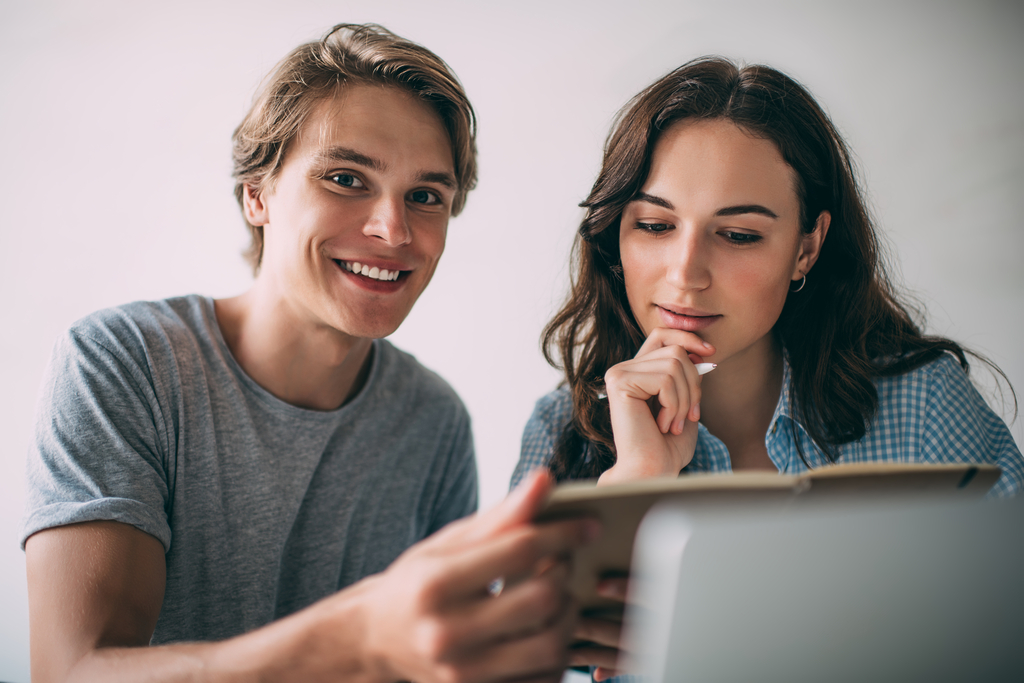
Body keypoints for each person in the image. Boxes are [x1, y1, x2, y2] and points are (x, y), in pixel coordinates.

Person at [22, 24, 599, 683]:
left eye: (426, 196)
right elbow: (71, 671)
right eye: (347, 178)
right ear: (258, 194)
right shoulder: (122, 364)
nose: (393, 229)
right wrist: (360, 637)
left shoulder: (434, 421)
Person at [512, 56, 1023, 680]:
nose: (685, 273)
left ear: (806, 247)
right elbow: (512, 666)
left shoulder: (920, 405)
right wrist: (637, 482)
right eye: (654, 225)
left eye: (739, 235)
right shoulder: (560, 430)